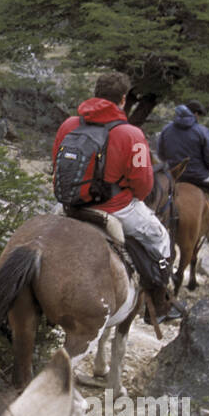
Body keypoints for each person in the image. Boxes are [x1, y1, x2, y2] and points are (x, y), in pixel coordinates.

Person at [53, 70, 183, 321]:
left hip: (69, 204)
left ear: (96, 94)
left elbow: (57, 166)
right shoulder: (131, 134)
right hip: (116, 207)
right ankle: (159, 306)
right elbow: (144, 187)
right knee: (162, 240)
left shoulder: (69, 125)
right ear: (123, 100)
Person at [156, 100, 209, 224]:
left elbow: (161, 154)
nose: (199, 117)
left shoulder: (167, 129)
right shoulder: (202, 131)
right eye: (199, 114)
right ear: (194, 114)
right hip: (198, 175)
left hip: (173, 174)